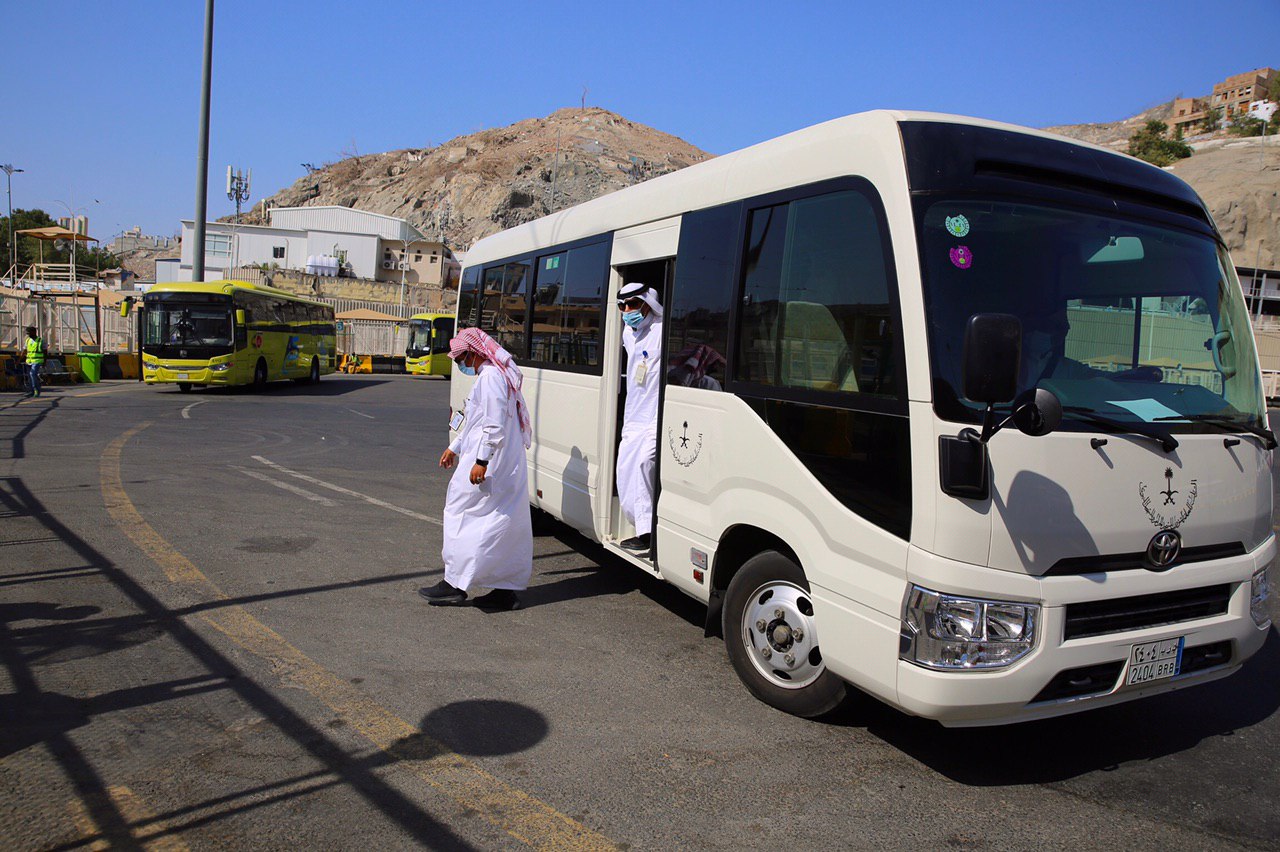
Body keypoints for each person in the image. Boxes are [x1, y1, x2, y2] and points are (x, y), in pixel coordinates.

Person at [419, 327, 533, 611]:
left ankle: (455, 582)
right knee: (499, 522)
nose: (459, 363)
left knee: (460, 511)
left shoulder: (491, 378)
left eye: (460, 357)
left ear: (473, 353)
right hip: (496, 459)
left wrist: (482, 461)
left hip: (491, 461)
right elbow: (473, 421)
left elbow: (493, 425)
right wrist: (454, 448)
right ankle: (505, 589)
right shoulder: (489, 377)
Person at [615, 282, 663, 553]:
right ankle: (638, 525)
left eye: (632, 304)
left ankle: (648, 534)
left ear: (647, 303)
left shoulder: (662, 330)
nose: (627, 311)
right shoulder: (628, 333)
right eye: (623, 306)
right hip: (634, 413)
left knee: (645, 463)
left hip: (655, 414)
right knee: (625, 469)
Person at [24, 327, 44, 398]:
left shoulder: (40, 340)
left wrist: (45, 362)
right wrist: (20, 359)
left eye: (29, 333)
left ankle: (36, 390)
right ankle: (31, 391)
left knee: (32, 374)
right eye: (27, 333)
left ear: (34, 332)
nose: (28, 335)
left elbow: (45, 352)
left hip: (37, 361)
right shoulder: (28, 340)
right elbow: (25, 350)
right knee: (29, 376)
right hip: (29, 361)